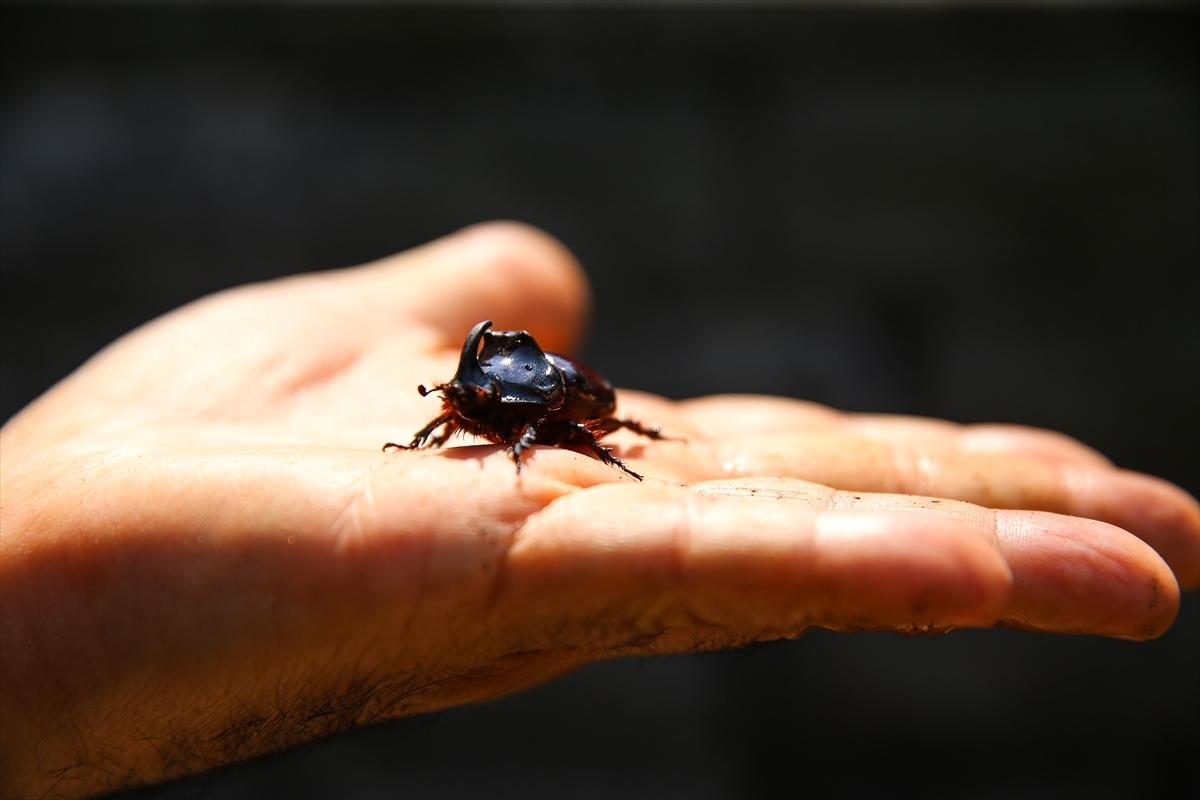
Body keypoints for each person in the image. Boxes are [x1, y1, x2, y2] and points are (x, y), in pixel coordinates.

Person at [1, 222, 1195, 799]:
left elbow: (545, 407)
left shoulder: (540, 403)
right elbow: (474, 395)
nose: (457, 410)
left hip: (589, 407)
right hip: (558, 402)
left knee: (593, 432)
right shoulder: (473, 398)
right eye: (460, 403)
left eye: (469, 403)